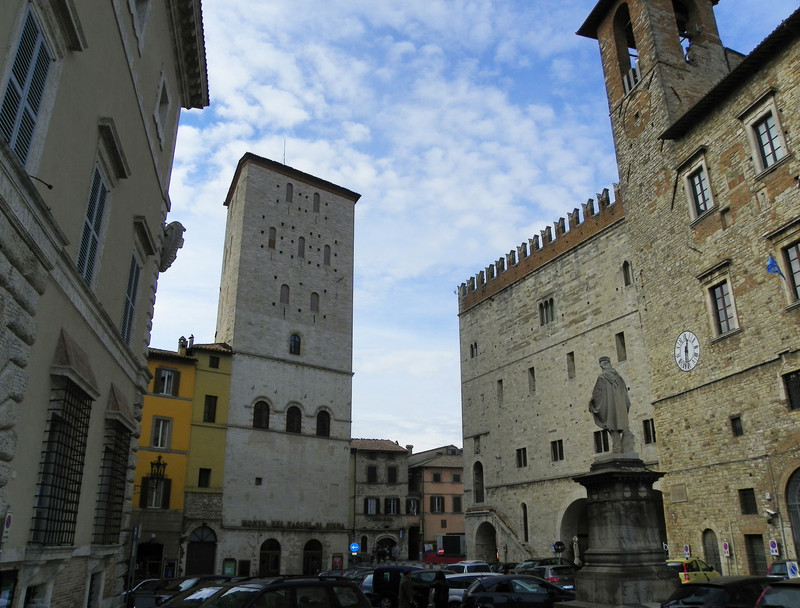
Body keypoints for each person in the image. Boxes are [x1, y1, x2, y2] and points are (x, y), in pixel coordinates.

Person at [588, 356, 632, 454]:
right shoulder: (619, 378)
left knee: (612, 428)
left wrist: (592, 403)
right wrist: (625, 408)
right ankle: (620, 448)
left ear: (602, 365)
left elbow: (597, 394)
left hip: (610, 411)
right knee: (619, 428)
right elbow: (625, 395)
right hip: (621, 410)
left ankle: (617, 449)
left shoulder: (602, 378)